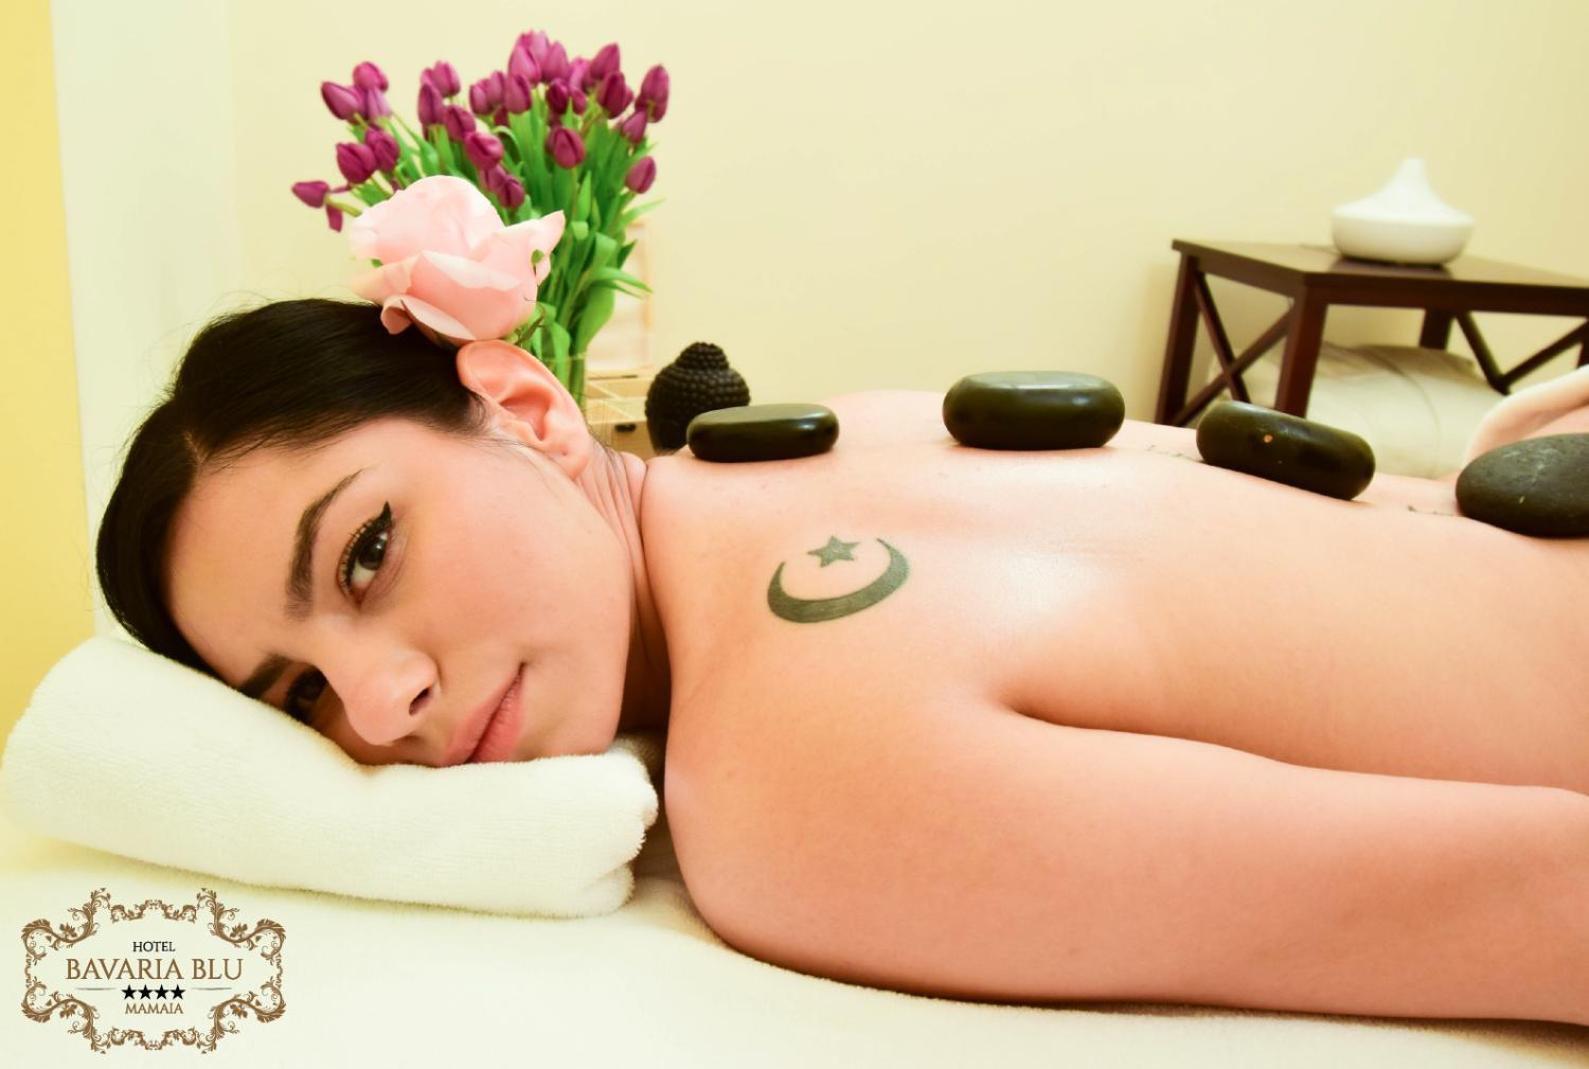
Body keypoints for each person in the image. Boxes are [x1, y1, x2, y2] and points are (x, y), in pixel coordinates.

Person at [97, 297, 1589, 1028]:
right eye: (300, 692)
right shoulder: (785, 454)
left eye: (366, 554)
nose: (379, 707)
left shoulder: (786, 783)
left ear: (532, 409)